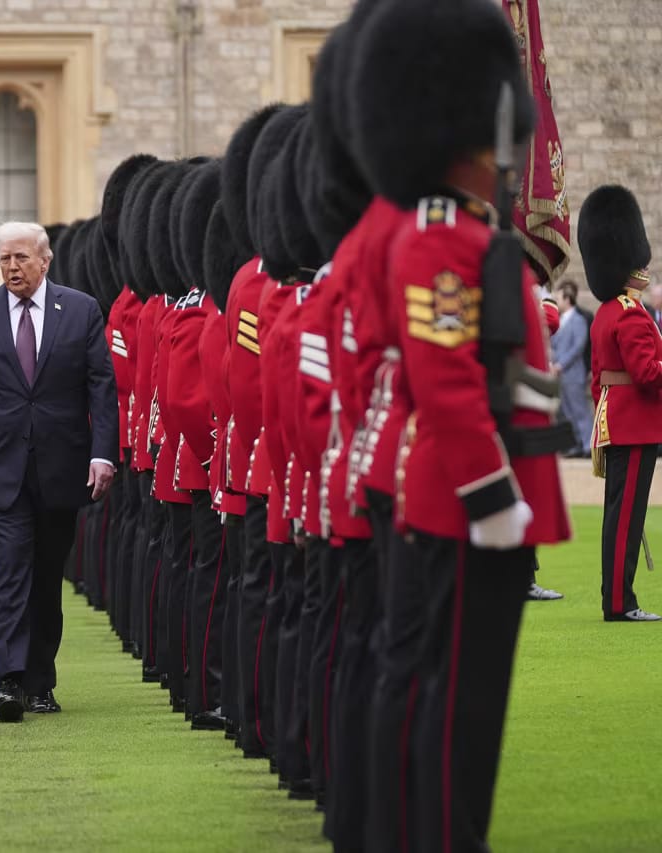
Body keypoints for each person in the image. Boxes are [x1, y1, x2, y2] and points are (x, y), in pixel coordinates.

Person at [350, 0, 571, 848]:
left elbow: (513, 374)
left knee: (469, 696)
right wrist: (491, 495)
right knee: (456, 703)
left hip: (492, 482)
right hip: (466, 498)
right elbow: (445, 380)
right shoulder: (441, 235)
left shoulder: (469, 229)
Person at [0, 221, 117, 721]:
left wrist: (103, 454)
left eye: (21, 258)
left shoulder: (81, 310)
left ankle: (41, 681)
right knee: (9, 572)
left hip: (61, 468)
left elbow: (100, 388)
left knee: (45, 579)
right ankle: (9, 681)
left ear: (45, 260)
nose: (12, 268)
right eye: (4, 259)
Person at [581, 184, 662, 622]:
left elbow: (598, 380)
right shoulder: (631, 312)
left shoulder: (607, 312)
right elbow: (648, 374)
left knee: (621, 519)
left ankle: (617, 598)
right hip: (635, 424)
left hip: (618, 421)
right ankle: (619, 603)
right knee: (625, 520)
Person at [552, 279, 593, 457]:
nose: (557, 301)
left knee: (579, 410)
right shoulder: (560, 320)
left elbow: (578, 347)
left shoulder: (578, 320)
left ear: (568, 298)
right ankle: (577, 444)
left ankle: (589, 445)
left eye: (559, 298)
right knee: (568, 412)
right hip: (561, 373)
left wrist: (561, 364)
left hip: (573, 373)